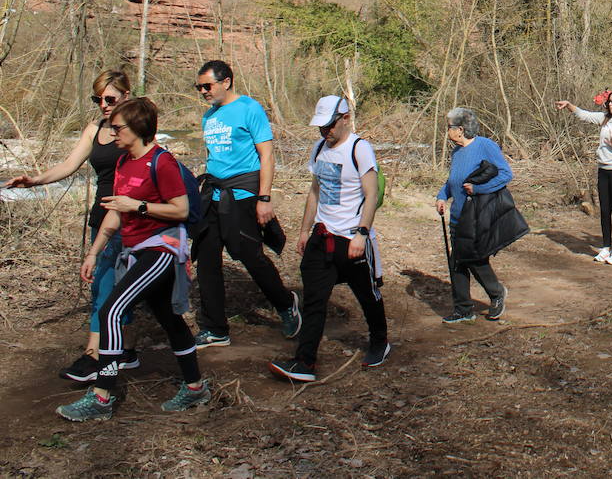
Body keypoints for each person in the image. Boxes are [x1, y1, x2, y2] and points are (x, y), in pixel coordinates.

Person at [57, 97, 208, 421]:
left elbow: (180, 209)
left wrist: (138, 207)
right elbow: (116, 212)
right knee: (169, 320)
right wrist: (94, 252)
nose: (113, 133)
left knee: (111, 309)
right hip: (136, 249)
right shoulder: (125, 162)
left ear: (137, 128)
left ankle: (101, 397)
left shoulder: (162, 162)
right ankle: (196, 388)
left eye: (118, 128)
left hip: (162, 250)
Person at [4, 70, 141, 382]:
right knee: (104, 283)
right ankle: (117, 351)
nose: (104, 105)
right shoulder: (95, 128)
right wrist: (33, 180)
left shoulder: (136, 127)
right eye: (98, 99)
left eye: (110, 98)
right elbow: (69, 165)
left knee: (114, 284)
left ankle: (101, 355)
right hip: (101, 215)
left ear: (125, 95)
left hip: (129, 216)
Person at [270, 97, 388, 383]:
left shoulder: (360, 149)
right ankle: (304, 362)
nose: (325, 131)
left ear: (345, 118)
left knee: (367, 295)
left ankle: (379, 342)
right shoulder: (319, 149)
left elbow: (371, 195)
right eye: (321, 126)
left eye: (330, 125)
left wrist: (362, 232)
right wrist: (303, 230)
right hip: (322, 237)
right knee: (314, 300)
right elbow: (314, 191)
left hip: (352, 238)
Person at [192, 60, 299, 348]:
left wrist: (264, 198)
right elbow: (215, 156)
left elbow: (266, 155)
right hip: (213, 195)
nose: (203, 91)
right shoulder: (209, 117)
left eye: (207, 85)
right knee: (207, 260)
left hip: (243, 194)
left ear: (226, 81)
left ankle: (286, 304)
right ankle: (215, 328)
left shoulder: (249, 109)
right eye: (199, 86)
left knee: (249, 256)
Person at [436, 107, 514, 323]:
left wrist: (479, 189)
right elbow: (453, 180)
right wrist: (442, 196)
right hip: (457, 216)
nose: (447, 132)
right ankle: (463, 309)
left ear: (460, 129)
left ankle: (497, 293)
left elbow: (506, 174)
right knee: (457, 262)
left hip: (477, 214)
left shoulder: (485, 146)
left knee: (474, 259)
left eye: (448, 127)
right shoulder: (456, 152)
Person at [555, 89, 612, 265]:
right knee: (604, 210)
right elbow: (584, 115)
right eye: (608, 101)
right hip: (603, 169)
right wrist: (569, 105)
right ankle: (606, 247)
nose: (610, 104)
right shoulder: (604, 118)